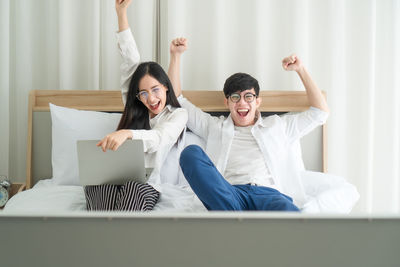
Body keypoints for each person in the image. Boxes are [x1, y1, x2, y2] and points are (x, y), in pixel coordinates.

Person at [168, 39, 329, 211]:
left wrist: (300, 69)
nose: (242, 103)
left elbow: (320, 113)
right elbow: (176, 99)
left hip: (268, 195)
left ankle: (234, 220)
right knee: (190, 153)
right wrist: (175, 56)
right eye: (235, 97)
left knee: (288, 212)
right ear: (227, 102)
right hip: (230, 193)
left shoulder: (277, 126)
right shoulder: (215, 127)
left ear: (258, 102)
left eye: (248, 97)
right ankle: (234, 215)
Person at [84, 0, 188, 211]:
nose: (150, 99)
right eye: (144, 93)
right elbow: (131, 59)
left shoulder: (177, 115)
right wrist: (121, 13)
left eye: (156, 89)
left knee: (133, 188)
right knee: (97, 188)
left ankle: (119, 240)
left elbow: (159, 138)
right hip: (112, 177)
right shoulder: (135, 107)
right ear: (138, 96)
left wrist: (128, 134)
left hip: (146, 185)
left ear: (166, 87)